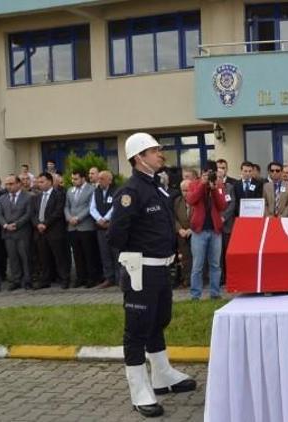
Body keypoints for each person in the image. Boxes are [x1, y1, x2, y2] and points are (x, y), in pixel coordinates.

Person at [108, 133, 196, 418]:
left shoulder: (156, 188)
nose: (160, 154)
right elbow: (116, 236)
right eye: (154, 150)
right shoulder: (130, 192)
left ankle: (161, 375)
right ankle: (139, 390)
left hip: (161, 268)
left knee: (159, 320)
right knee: (136, 331)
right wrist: (135, 259)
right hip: (141, 271)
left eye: (159, 149)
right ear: (139, 158)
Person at [186, 161, 228, 301]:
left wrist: (214, 188)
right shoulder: (194, 184)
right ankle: (195, 295)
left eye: (212, 173)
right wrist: (202, 184)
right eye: (207, 173)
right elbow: (191, 200)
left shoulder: (219, 185)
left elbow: (222, 205)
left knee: (215, 264)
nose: (210, 175)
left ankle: (215, 293)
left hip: (215, 230)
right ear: (202, 172)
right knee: (197, 265)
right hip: (199, 230)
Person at [30, 173, 70, 289]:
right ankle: (45, 280)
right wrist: (38, 224)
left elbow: (57, 212)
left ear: (49, 182)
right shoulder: (36, 197)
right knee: (43, 258)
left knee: (60, 257)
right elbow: (32, 214)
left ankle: (64, 279)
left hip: (54, 231)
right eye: (38, 182)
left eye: (42, 182)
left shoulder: (59, 195)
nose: (39, 184)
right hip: (40, 232)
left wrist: (45, 224)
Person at [65, 170, 102, 288]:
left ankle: (92, 278)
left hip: (86, 226)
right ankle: (81, 277)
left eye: (76, 179)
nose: (73, 181)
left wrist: (78, 218)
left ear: (83, 179)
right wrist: (69, 217)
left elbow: (89, 206)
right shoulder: (70, 190)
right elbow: (66, 206)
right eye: (72, 179)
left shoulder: (91, 189)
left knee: (89, 254)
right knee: (77, 254)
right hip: (72, 227)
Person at [0, 175, 33, 290]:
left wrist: (16, 224)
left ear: (19, 184)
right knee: (13, 258)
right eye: (7, 184)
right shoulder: (2, 198)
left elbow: (28, 214)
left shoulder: (27, 197)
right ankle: (16, 280)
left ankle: (27, 280)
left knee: (25, 257)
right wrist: (5, 225)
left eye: (11, 184)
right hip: (8, 233)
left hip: (22, 232)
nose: (8, 186)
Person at [90, 170, 118, 288]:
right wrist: (100, 219)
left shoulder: (116, 191)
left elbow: (115, 206)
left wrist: (106, 218)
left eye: (102, 179)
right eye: (99, 178)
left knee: (116, 253)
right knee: (105, 253)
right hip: (100, 228)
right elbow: (92, 208)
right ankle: (109, 278)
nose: (99, 181)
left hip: (113, 227)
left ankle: (119, 278)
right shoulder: (96, 191)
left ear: (109, 180)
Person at [173, 181, 192, 289]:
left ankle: (195, 279)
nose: (186, 193)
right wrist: (179, 229)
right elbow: (174, 217)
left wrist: (192, 229)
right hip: (181, 233)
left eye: (188, 190)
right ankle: (186, 279)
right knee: (184, 257)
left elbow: (200, 216)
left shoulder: (196, 200)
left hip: (194, 232)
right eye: (183, 191)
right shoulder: (177, 201)